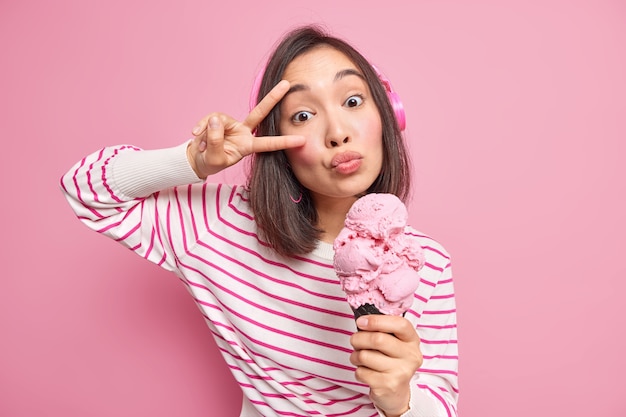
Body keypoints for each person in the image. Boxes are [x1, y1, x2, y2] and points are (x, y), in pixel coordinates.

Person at [60, 25, 458, 417]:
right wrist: (192, 160)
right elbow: (84, 190)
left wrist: (401, 402)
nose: (338, 133)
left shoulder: (426, 262)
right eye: (303, 115)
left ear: (390, 115)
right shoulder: (219, 224)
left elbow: (441, 406)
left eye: (352, 102)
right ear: (276, 142)